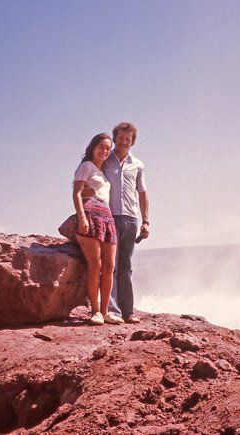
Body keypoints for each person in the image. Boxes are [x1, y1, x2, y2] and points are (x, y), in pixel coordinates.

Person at [72, 133, 124, 325]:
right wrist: (82, 218)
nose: (104, 151)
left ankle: (105, 311)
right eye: (101, 147)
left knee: (110, 267)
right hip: (91, 214)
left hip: (107, 217)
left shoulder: (103, 173)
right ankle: (95, 312)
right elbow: (76, 193)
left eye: (107, 148)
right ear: (93, 147)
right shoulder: (85, 167)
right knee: (96, 265)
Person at [103, 122, 150, 324]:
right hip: (109, 216)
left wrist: (146, 221)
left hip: (130, 219)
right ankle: (111, 310)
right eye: (120, 138)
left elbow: (143, 194)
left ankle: (127, 312)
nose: (123, 142)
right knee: (110, 265)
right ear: (115, 139)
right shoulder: (104, 160)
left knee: (126, 266)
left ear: (133, 142)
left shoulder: (137, 164)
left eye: (128, 140)